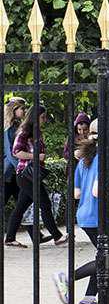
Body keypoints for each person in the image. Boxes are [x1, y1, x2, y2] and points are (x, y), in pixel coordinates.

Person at [51, 127, 109, 304]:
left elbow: (76, 193)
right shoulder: (105, 160)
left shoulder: (85, 160)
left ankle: (88, 301)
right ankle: (67, 277)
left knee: (103, 257)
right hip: (97, 217)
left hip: (84, 215)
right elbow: (97, 191)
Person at [5, 105, 66, 247]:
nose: (44, 120)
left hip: (30, 175)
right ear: (35, 117)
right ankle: (57, 236)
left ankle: (10, 238)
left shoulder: (36, 131)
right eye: (42, 117)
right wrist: (36, 156)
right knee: (44, 203)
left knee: (20, 207)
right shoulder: (25, 131)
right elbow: (16, 152)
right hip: (26, 175)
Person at [1, 98, 24, 232]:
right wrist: (21, 168)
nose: (24, 111)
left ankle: (36, 235)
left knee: (23, 203)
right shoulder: (9, 128)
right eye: (22, 108)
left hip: (13, 174)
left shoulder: (16, 126)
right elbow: (11, 153)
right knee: (22, 203)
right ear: (14, 110)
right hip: (9, 173)